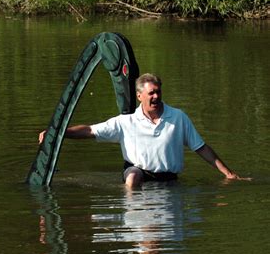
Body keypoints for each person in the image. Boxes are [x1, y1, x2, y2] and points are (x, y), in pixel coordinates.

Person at [38, 73, 247, 188]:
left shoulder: (178, 117)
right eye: (151, 93)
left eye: (158, 92)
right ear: (140, 96)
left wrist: (229, 174)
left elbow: (201, 148)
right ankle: (131, 205)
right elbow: (90, 131)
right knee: (133, 177)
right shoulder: (126, 122)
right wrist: (59, 132)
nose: (155, 96)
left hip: (169, 180)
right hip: (138, 172)